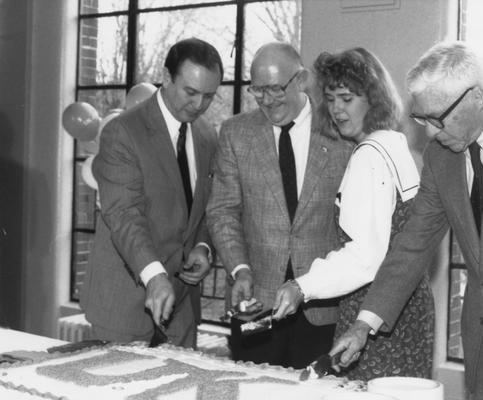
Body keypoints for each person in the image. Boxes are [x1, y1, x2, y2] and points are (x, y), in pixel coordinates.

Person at [330, 41, 483, 400]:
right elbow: (413, 243)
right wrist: (365, 324)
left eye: (437, 118)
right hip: (478, 328)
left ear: (476, 97)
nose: (429, 132)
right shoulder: (441, 156)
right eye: (421, 118)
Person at [272, 47, 434, 381]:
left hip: (374, 311)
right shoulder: (395, 143)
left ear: (374, 100)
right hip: (407, 307)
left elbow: (364, 257)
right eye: (330, 99)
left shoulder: (368, 155)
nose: (336, 109)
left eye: (347, 98)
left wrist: (301, 286)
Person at [206, 42, 353, 368]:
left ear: (300, 80)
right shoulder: (235, 133)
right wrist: (239, 268)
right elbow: (222, 210)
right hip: (255, 302)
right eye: (257, 90)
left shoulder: (340, 130)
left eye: (274, 89)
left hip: (322, 307)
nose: (266, 100)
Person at [80, 37, 223, 348]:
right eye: (191, 92)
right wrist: (155, 276)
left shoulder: (206, 135)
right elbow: (123, 214)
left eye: (209, 96)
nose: (199, 105)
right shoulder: (123, 131)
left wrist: (203, 246)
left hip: (182, 305)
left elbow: (206, 208)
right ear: (167, 77)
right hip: (123, 303)